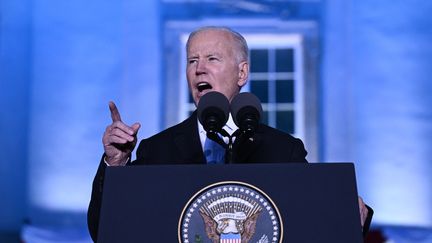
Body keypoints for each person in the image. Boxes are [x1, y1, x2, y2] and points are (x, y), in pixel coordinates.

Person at [87, 26, 372, 241]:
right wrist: (116, 164)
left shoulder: (283, 149)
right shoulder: (156, 150)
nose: (199, 69)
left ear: (242, 73)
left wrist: (347, 210)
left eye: (212, 59)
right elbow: (105, 229)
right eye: (192, 61)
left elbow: (311, 220)